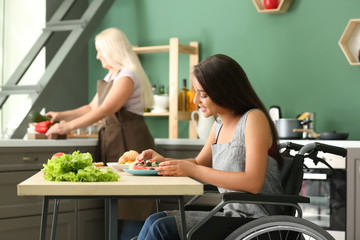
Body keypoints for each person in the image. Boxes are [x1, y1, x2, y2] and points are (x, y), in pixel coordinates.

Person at [134, 54, 284, 240]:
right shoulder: (219, 125)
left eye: (203, 94)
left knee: (162, 228)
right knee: (154, 220)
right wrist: (163, 162)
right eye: (196, 92)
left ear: (225, 91)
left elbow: (253, 183)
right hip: (231, 215)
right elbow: (199, 163)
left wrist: (193, 169)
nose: (196, 100)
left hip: (258, 221)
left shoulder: (253, 119)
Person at [45, 28, 157, 239]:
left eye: (100, 51)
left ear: (112, 50)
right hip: (113, 142)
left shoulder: (127, 76)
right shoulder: (112, 75)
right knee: (118, 202)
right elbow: (91, 108)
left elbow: (105, 110)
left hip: (131, 140)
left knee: (134, 203)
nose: (98, 56)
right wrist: (60, 115)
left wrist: (66, 127)